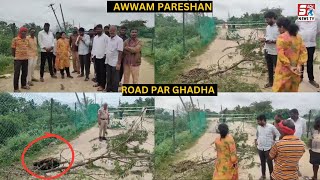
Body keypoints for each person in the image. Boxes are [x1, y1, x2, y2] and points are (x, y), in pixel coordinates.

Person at [272, 18, 308, 92]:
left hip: (284, 71)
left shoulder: (281, 37)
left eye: (278, 27)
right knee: (293, 90)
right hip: (296, 70)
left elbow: (281, 55)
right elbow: (304, 52)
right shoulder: (298, 37)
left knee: (279, 90)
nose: (278, 30)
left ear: (282, 27)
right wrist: (299, 65)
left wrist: (289, 66)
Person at [295, 18, 320, 87]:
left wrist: (311, 36)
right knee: (301, 62)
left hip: (311, 45)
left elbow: (318, 31)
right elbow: (296, 31)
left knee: (310, 62)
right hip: (301, 45)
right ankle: (300, 77)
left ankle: (311, 79)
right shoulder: (298, 21)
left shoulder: (316, 20)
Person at [255, 114, 280, 180]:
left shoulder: (271, 127)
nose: (257, 122)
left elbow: (278, 135)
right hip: (260, 148)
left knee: (269, 163)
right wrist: (256, 140)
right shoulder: (258, 127)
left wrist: (275, 143)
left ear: (263, 120)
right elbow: (257, 135)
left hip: (269, 148)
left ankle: (272, 177)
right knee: (262, 162)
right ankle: (263, 175)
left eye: (258, 121)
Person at [259, 11, 279, 88]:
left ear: (273, 18)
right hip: (267, 50)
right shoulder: (267, 27)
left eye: (267, 19)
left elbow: (283, 40)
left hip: (276, 52)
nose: (266, 21)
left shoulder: (279, 27)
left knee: (278, 69)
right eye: (265, 20)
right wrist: (264, 39)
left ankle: (278, 84)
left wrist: (273, 41)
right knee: (269, 68)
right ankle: (271, 82)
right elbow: (267, 36)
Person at [105, 25, 123, 92]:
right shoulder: (108, 39)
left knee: (115, 79)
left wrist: (118, 63)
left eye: (113, 31)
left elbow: (120, 52)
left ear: (116, 31)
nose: (111, 32)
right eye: (110, 31)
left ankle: (114, 90)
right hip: (108, 61)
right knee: (108, 77)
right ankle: (108, 89)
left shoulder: (119, 40)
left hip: (115, 62)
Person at [11, 27, 30, 92]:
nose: (24, 33)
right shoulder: (15, 39)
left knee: (25, 72)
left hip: (25, 58)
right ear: (20, 32)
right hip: (18, 59)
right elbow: (13, 49)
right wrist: (15, 56)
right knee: (17, 73)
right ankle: (16, 88)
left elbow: (28, 47)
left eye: (25, 31)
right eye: (22, 31)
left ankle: (23, 85)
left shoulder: (27, 40)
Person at [91, 24, 109, 91]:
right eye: (97, 29)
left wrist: (105, 54)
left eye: (99, 29)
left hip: (103, 57)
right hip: (96, 56)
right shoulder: (95, 37)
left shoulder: (106, 37)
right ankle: (98, 82)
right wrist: (92, 55)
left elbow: (108, 47)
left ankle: (102, 85)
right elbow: (94, 47)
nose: (98, 30)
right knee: (97, 71)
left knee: (102, 72)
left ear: (102, 29)